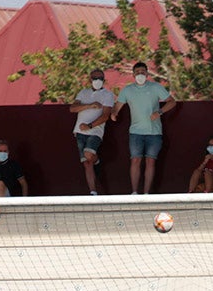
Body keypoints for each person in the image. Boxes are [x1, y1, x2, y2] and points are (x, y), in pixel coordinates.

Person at [110, 62, 176, 194]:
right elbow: (117, 106)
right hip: (135, 132)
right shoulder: (127, 90)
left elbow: (172, 101)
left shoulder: (156, 87)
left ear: (147, 74)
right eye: (138, 72)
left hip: (154, 132)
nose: (140, 74)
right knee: (135, 160)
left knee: (150, 161)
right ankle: (134, 192)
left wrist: (160, 112)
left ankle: (146, 193)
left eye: (143, 72)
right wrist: (113, 114)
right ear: (133, 74)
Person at [70, 68, 115, 195]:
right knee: (86, 163)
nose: (98, 80)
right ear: (90, 79)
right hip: (79, 132)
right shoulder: (83, 93)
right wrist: (89, 106)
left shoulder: (108, 94)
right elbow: (73, 108)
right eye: (95, 78)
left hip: (95, 132)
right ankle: (93, 191)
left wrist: (90, 126)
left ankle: (97, 160)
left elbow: (105, 115)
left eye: (100, 78)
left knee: (89, 155)